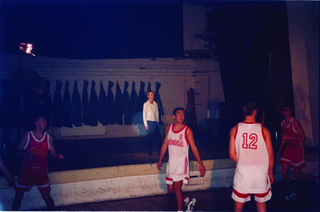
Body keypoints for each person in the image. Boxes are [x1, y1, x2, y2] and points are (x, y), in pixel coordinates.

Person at [157, 107, 206, 212]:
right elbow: (165, 144)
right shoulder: (169, 128)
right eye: (179, 114)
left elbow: (194, 148)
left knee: (177, 189)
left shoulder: (187, 130)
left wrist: (201, 164)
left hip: (181, 164)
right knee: (171, 190)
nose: (181, 116)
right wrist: (160, 159)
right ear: (174, 116)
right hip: (171, 164)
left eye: (183, 114)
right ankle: (188, 200)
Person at [229, 101, 274, 212]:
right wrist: (271, 172)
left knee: (238, 206)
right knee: (261, 204)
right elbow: (270, 156)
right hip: (260, 171)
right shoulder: (264, 130)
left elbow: (231, 154)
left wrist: (242, 162)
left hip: (243, 171)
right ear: (255, 111)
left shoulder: (235, 129)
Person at [12, 114, 64, 211]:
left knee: (47, 197)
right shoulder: (27, 136)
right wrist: (27, 155)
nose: (46, 123)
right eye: (43, 120)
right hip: (26, 172)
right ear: (36, 123)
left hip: (42, 172)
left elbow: (53, 151)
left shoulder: (49, 137)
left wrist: (57, 156)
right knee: (18, 196)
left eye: (45, 121)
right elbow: (16, 151)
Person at [276, 106, 318, 200]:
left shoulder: (295, 122)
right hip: (288, 149)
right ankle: (292, 192)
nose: (287, 111)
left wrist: (288, 138)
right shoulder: (282, 123)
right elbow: (284, 138)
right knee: (283, 171)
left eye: (288, 109)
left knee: (297, 175)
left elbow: (303, 138)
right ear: (283, 112)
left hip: (298, 150)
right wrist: (279, 150)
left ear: (291, 111)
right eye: (285, 109)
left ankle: (316, 179)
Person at [143, 91, 159, 156]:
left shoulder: (155, 104)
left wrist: (157, 123)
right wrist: (146, 124)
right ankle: (150, 151)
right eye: (151, 95)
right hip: (149, 122)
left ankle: (159, 150)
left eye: (153, 95)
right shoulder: (146, 104)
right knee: (149, 137)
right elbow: (144, 115)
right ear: (148, 96)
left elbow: (157, 114)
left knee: (157, 137)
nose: (152, 96)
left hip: (154, 122)